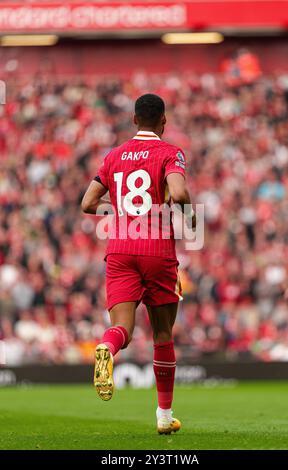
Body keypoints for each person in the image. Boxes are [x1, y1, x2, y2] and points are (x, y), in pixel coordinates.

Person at [81, 93, 196, 434]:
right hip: (157, 250)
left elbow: (88, 203)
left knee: (123, 330)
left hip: (119, 250)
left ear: (134, 120)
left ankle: (107, 347)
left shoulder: (114, 155)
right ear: (163, 121)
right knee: (162, 333)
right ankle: (164, 417)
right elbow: (178, 193)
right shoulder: (170, 152)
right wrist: (188, 219)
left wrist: (118, 208)